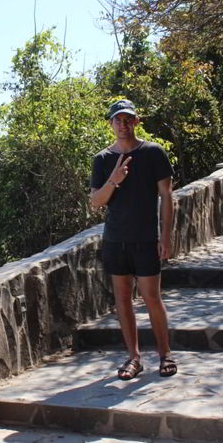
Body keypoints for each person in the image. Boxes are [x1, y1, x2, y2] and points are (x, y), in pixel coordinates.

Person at [89, 99, 177, 380]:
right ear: (111, 124)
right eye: (118, 120)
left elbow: (166, 196)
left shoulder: (153, 153)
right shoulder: (102, 160)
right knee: (123, 299)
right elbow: (96, 202)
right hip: (116, 240)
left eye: (128, 120)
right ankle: (133, 358)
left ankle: (165, 355)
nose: (123, 125)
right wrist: (114, 179)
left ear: (136, 122)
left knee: (152, 297)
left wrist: (165, 235)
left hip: (146, 239)